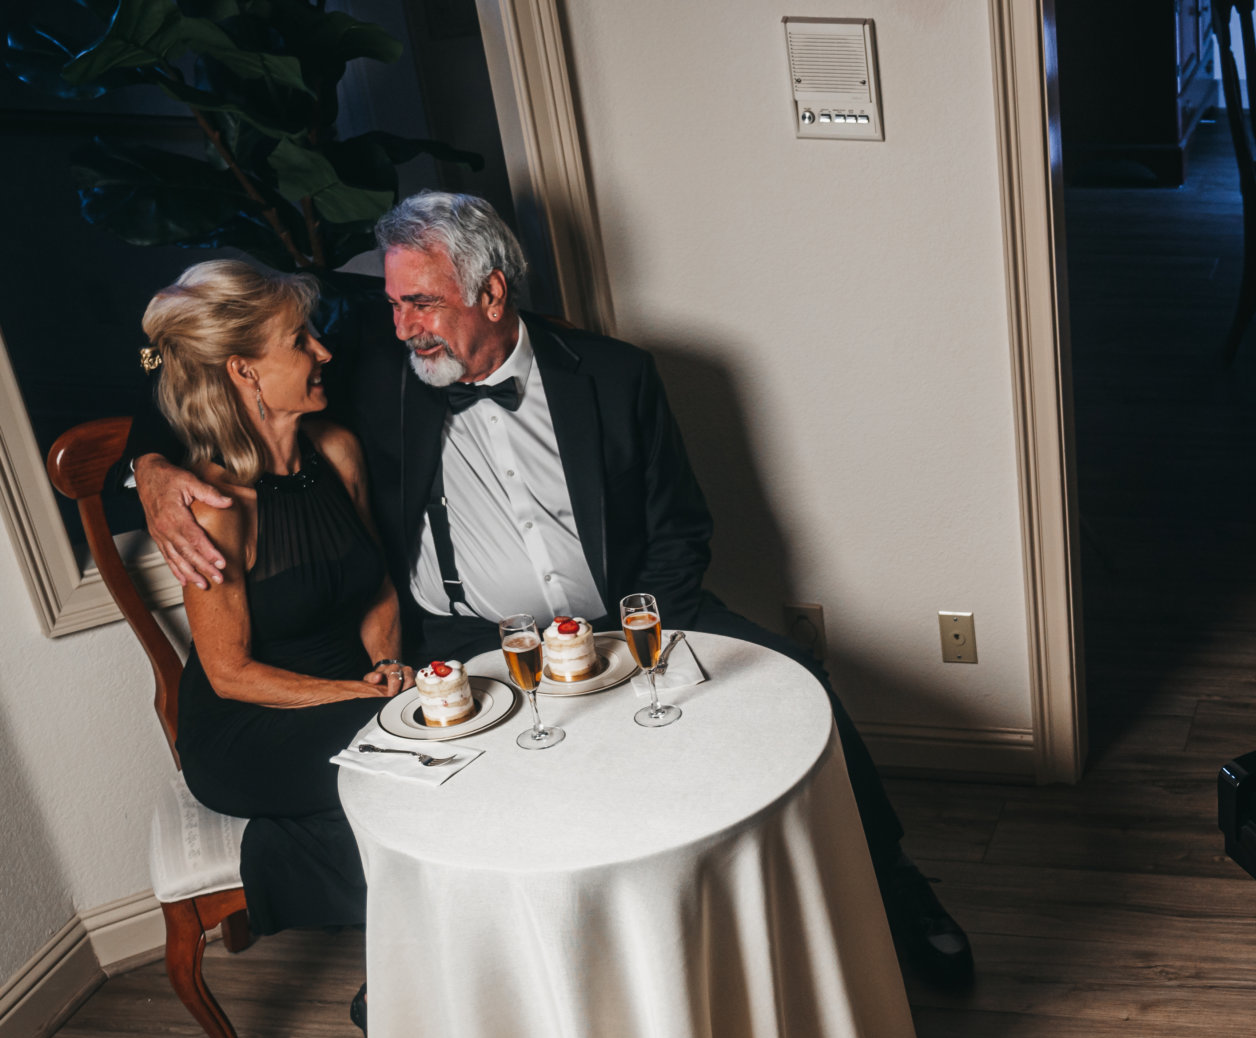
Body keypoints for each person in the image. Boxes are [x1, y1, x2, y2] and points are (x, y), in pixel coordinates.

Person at [131, 192, 973, 989]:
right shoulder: (370, 370)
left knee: (799, 683)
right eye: (392, 306)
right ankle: (495, 966)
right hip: (467, 639)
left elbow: (681, 529)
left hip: (632, 616)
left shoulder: (616, 375)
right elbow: (201, 353)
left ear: (492, 292)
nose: (400, 325)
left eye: (421, 304)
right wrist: (152, 465)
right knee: (502, 781)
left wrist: (636, 640)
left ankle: (893, 883)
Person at [144, 260, 410, 1030]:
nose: (323, 352)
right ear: (245, 372)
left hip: (346, 688)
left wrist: (383, 668)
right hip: (247, 723)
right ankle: (411, 980)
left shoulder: (338, 451)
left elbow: (380, 587)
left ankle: (401, 973)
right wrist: (364, 700)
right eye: (301, 341)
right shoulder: (215, 505)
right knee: (405, 774)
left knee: (441, 753)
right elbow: (227, 673)